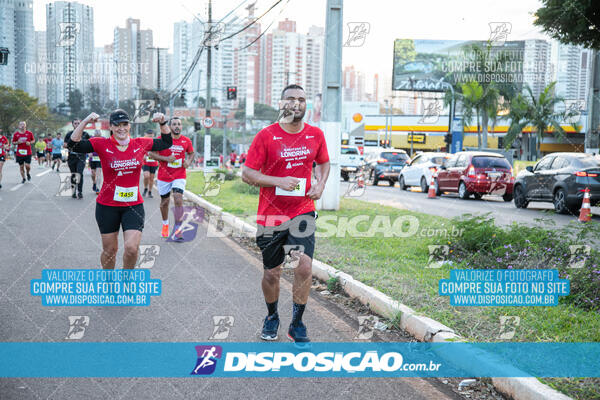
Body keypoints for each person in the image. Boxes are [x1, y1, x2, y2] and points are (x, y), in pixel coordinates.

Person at [241, 84, 330, 343]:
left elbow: (324, 163)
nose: (296, 103)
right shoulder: (266, 136)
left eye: (302, 99)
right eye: (291, 99)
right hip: (271, 215)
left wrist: (321, 183)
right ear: (282, 104)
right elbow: (247, 174)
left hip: (303, 211)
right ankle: (272, 316)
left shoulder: (316, 135)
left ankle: (297, 322)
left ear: (306, 105)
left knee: (303, 266)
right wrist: (277, 181)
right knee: (272, 273)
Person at [67, 109, 172, 269]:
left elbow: (166, 142)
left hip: (133, 206)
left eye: (125, 124)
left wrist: (163, 123)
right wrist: (86, 121)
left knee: (131, 249)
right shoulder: (101, 143)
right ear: (111, 127)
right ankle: (109, 283)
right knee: (110, 250)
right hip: (107, 206)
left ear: (129, 126)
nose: (121, 128)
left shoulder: (140, 143)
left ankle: (126, 279)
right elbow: (74, 145)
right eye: (117, 125)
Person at [147, 117, 195, 240]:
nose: (177, 126)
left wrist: (188, 162)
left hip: (179, 175)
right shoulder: (161, 139)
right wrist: (166, 159)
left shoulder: (186, 141)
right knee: (165, 202)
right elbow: (150, 153)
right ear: (169, 126)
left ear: (181, 127)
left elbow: (191, 153)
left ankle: (178, 229)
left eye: (179, 124)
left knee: (178, 199)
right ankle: (165, 225)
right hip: (164, 175)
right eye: (174, 124)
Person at [65, 119, 90, 199]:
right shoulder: (69, 134)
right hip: (72, 156)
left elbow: (89, 144)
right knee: (73, 174)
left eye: (79, 123)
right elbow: (65, 144)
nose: (77, 124)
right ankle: (73, 191)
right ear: (73, 124)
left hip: (81, 156)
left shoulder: (85, 134)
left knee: (79, 173)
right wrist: (71, 144)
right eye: (75, 123)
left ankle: (80, 192)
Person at [141, 129, 159, 198]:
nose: (150, 138)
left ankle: (150, 191)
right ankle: (145, 188)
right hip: (145, 163)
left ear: (153, 136)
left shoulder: (156, 143)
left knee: (151, 178)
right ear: (145, 135)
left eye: (151, 136)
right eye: (148, 136)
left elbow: (159, 153)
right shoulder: (143, 142)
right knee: (146, 176)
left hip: (154, 163)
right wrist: (142, 156)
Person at [89, 130, 102, 194]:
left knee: (98, 173)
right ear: (94, 134)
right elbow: (87, 147)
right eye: (96, 133)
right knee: (93, 174)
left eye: (98, 133)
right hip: (92, 159)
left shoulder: (103, 139)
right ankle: (94, 182)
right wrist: (89, 153)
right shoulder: (91, 139)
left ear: (100, 134)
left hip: (100, 159)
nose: (97, 134)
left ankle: (98, 188)